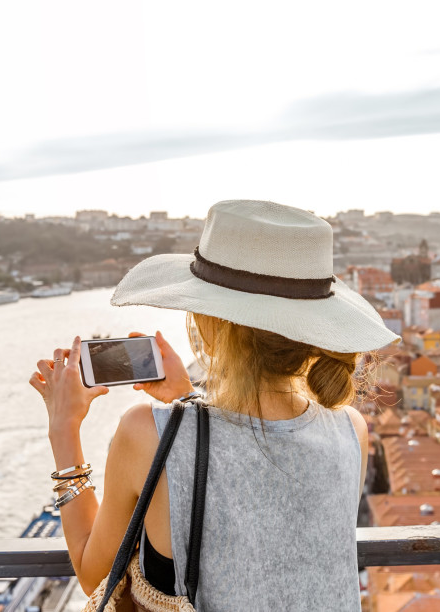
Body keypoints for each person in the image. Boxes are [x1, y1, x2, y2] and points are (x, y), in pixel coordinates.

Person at [30, 200, 400, 610]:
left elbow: (95, 574)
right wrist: (187, 400)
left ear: (209, 325)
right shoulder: (351, 429)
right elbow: (267, 535)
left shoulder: (145, 434)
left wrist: (64, 428)